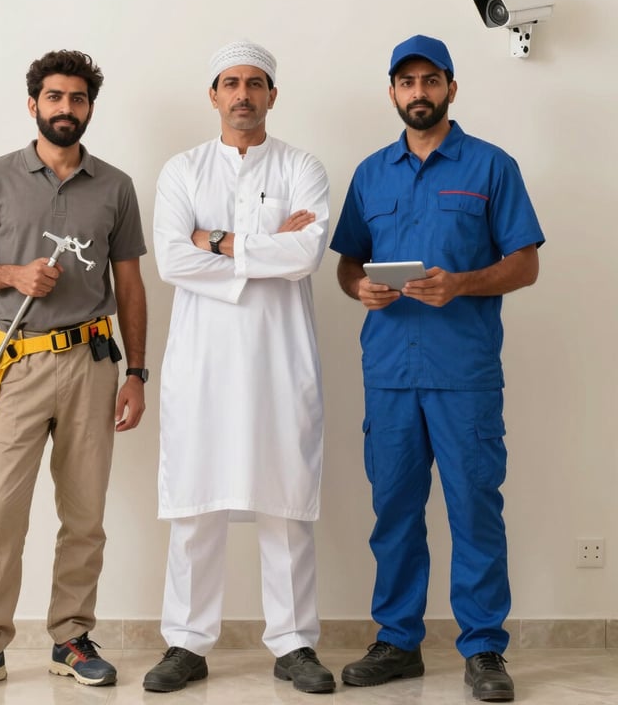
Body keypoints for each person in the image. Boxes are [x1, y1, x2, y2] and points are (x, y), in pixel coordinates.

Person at [330, 35, 544, 703]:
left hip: (464, 373)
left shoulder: (491, 167)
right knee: (393, 510)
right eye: (405, 82)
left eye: (429, 81)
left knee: (474, 508)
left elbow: (525, 263)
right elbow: (348, 262)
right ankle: (397, 642)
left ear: (451, 87)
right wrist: (357, 287)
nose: (417, 93)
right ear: (392, 92)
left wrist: (464, 283)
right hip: (389, 372)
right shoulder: (370, 174)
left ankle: (483, 650)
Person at [0, 50, 148, 696]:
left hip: (92, 365)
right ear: (33, 104)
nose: (66, 108)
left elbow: (131, 286)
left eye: (78, 98)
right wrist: (12, 274)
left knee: (84, 513)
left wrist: (137, 371)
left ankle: (71, 638)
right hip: (16, 364)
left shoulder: (114, 186)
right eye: (55, 97)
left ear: (90, 107)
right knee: (0, 509)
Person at [144, 40, 335, 695]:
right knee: (196, 504)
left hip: (280, 360)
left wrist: (219, 241)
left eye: (255, 83)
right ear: (214, 94)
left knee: (285, 504)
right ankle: (186, 643)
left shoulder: (301, 167)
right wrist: (264, 248)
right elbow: (172, 260)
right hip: (202, 365)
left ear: (272, 95)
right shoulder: (183, 171)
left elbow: (306, 254)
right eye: (230, 82)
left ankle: (293, 644)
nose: (243, 94)